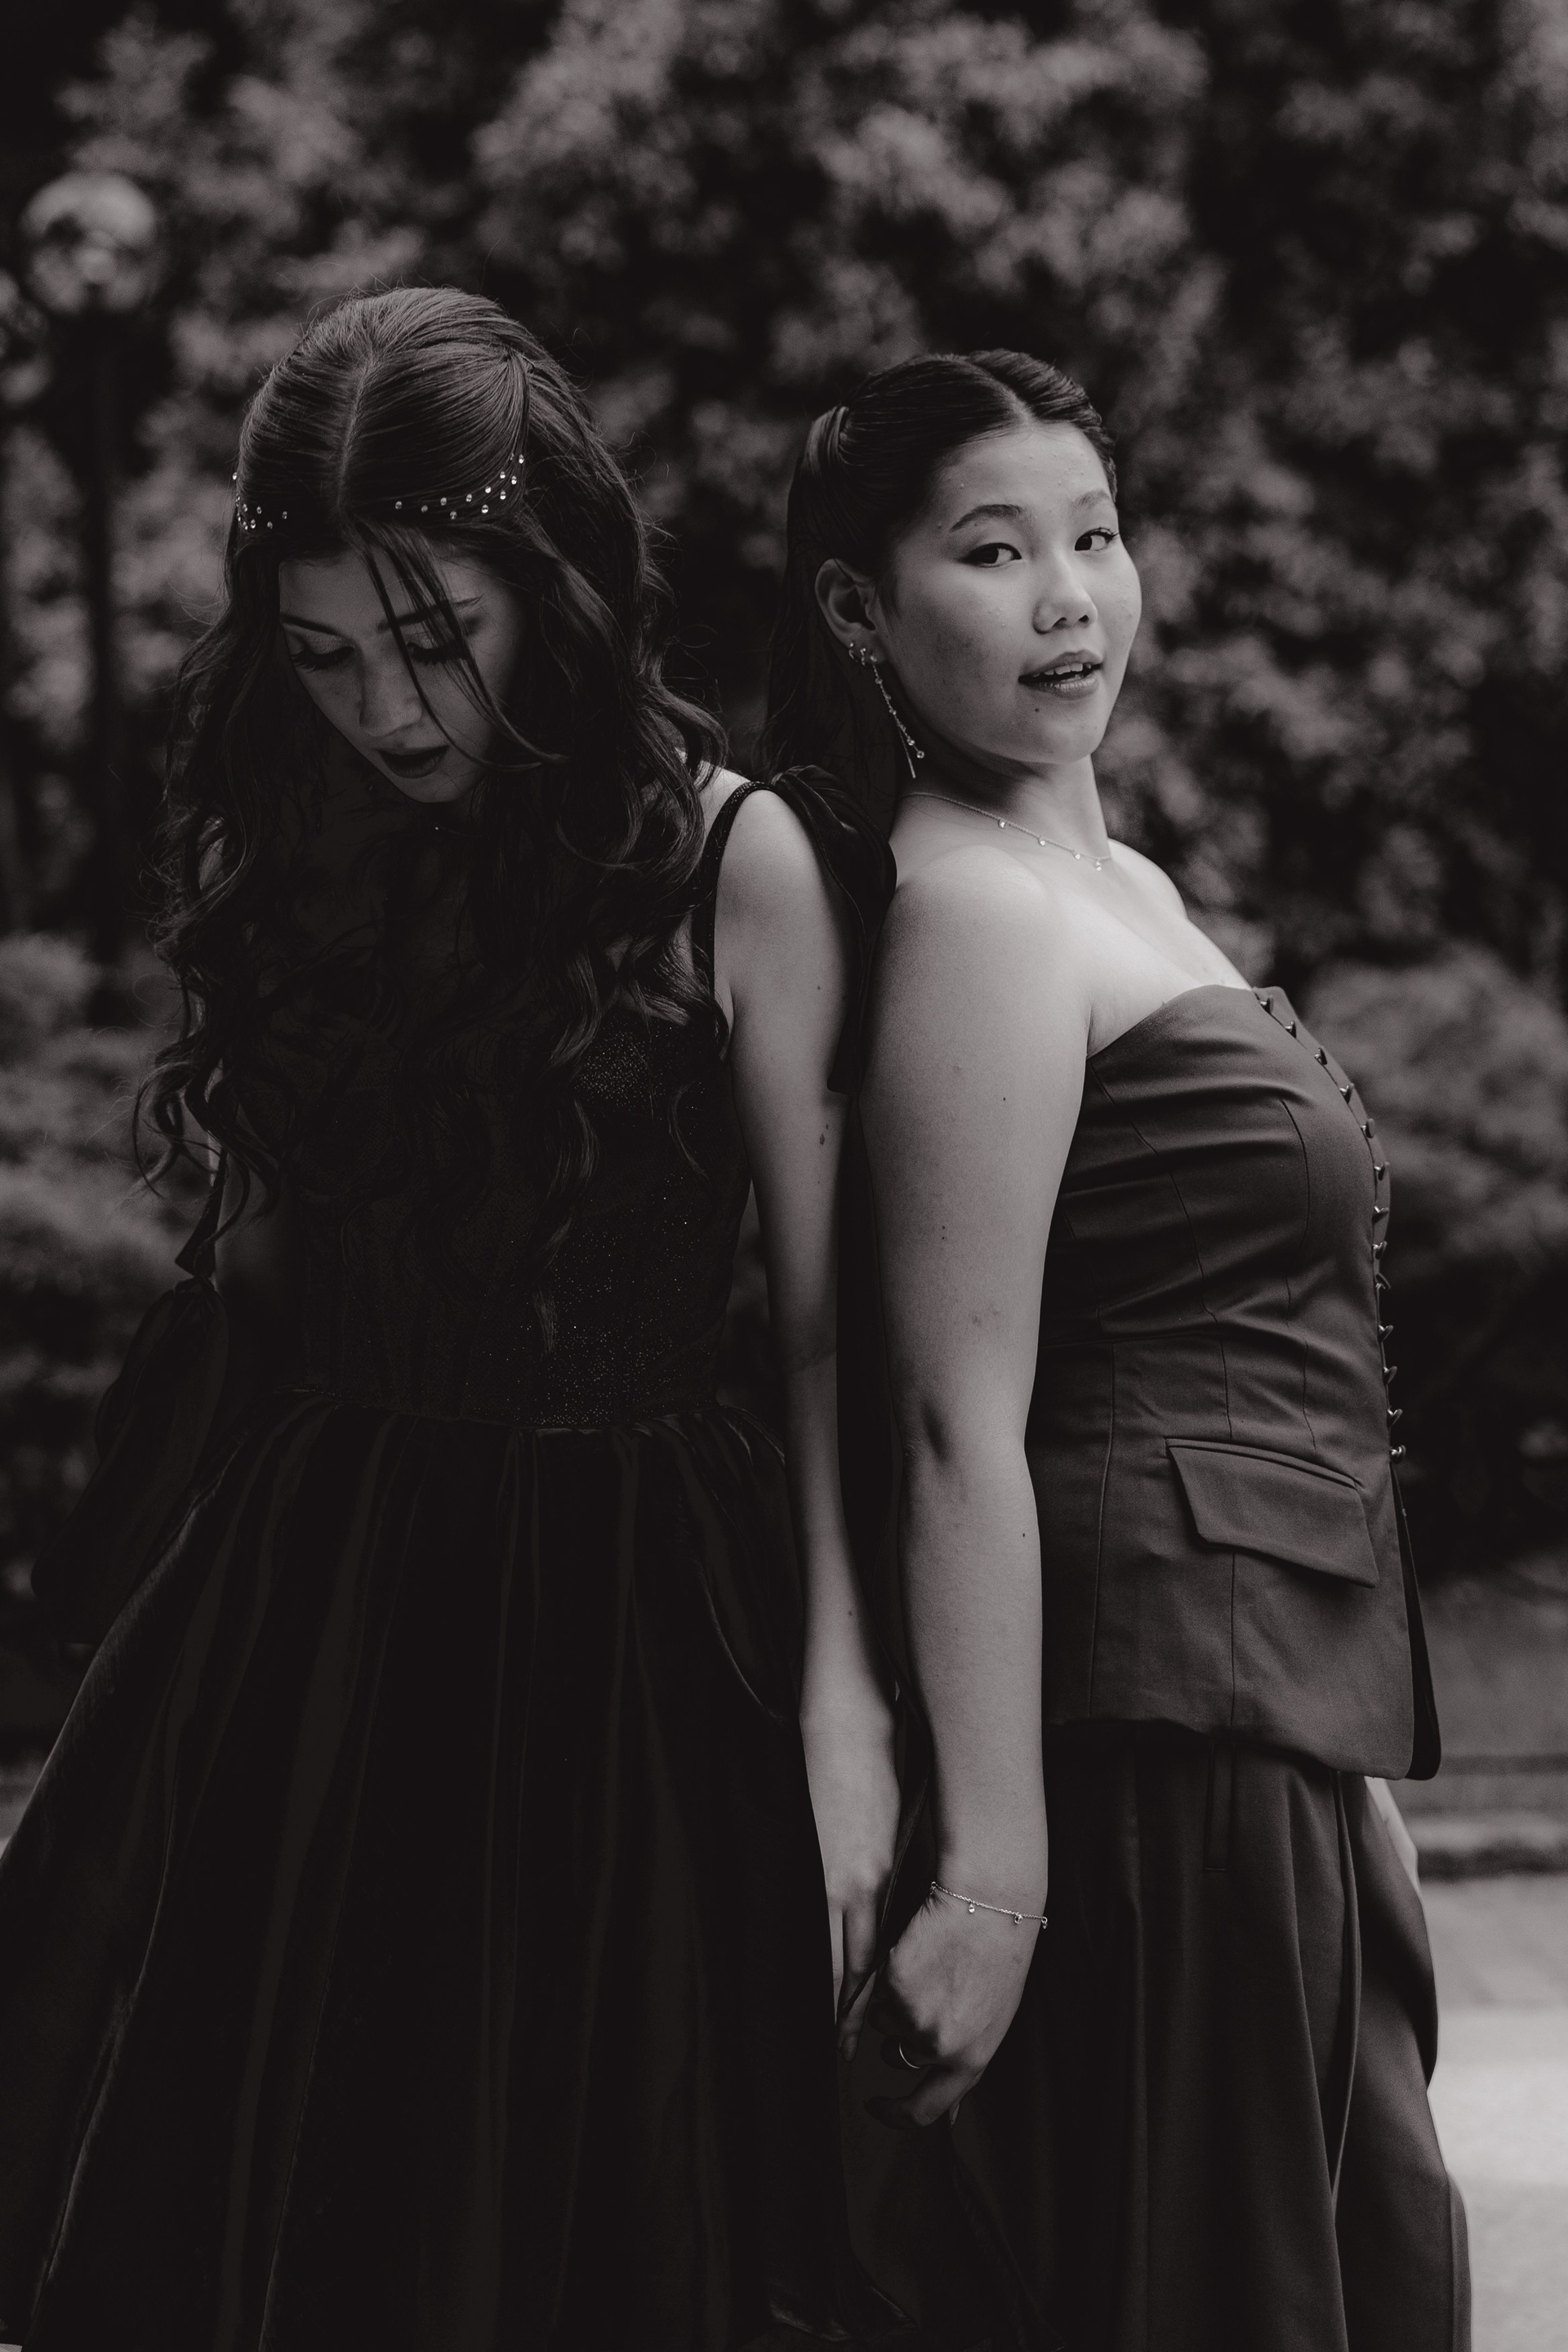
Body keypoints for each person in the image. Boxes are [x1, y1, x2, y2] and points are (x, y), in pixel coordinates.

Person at [0, 287, 909, 2352]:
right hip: (317, 1613)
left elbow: (825, 1338)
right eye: (324, 656)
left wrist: (849, 1715)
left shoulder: (740, 858)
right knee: (290, 2211)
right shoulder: (305, 856)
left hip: (635, 1622)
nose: (387, 709)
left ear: (555, 587)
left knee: (610, 2216)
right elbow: (260, 1284)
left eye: (434, 638)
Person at [764, 350, 1471, 2351]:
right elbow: (950, 1416)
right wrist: (994, 1882)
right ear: (860, 610)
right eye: (994, 552)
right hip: (1150, 1738)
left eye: (1093, 535)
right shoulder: (979, 912)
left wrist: (1343, 1761)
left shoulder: (1117, 884)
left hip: (1262, 1720)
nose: (1069, 597)